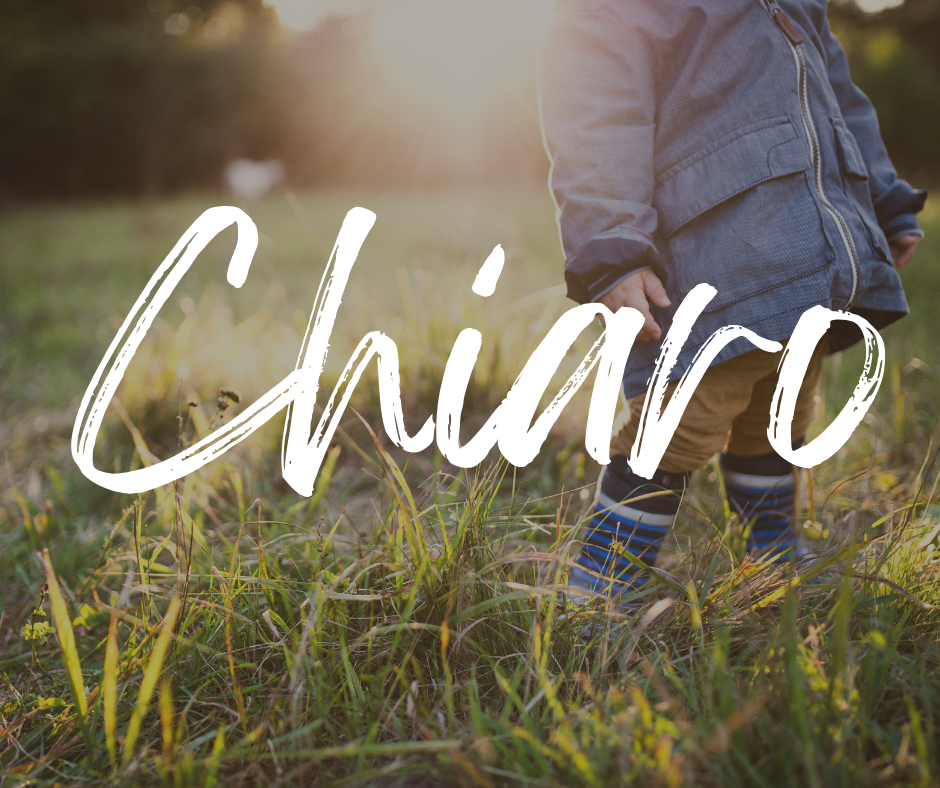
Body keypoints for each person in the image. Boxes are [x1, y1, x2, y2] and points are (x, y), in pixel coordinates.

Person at [537, 0, 926, 599]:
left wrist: (883, 195)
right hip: (716, 256)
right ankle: (601, 587)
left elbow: (841, 100)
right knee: (677, 424)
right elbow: (595, 118)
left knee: (781, 414)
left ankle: (772, 559)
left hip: (811, 255)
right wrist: (612, 242)